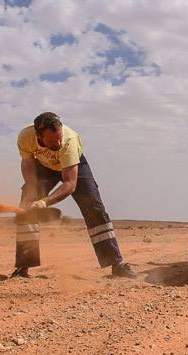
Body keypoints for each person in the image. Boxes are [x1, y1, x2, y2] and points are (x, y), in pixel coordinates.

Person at [12, 112, 135, 278]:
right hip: (44, 166)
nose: (58, 143)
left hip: (73, 166)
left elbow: (70, 184)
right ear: (38, 136)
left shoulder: (69, 141)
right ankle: (23, 267)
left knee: (94, 207)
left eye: (59, 139)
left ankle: (117, 264)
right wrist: (32, 189)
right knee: (27, 205)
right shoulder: (25, 137)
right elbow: (27, 164)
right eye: (52, 141)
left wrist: (43, 202)